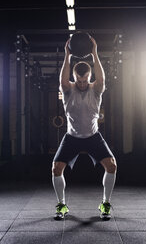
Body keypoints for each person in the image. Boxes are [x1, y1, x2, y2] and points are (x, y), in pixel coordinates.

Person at [52, 36, 117, 220]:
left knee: (111, 166)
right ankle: (61, 205)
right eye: (78, 81)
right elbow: (63, 78)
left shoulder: (96, 90)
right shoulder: (67, 89)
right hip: (72, 136)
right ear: (74, 78)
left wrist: (95, 52)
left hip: (93, 136)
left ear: (89, 78)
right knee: (56, 169)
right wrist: (67, 55)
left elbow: (102, 77)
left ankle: (105, 204)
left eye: (85, 81)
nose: (81, 84)